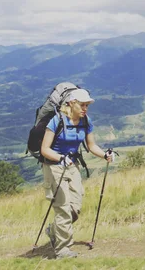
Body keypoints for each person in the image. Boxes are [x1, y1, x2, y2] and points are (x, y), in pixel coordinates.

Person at [40, 88, 115, 259]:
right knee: (63, 209)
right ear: (71, 103)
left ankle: (54, 231)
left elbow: (91, 145)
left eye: (87, 105)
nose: (85, 108)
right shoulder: (56, 121)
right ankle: (62, 250)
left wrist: (105, 155)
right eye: (82, 105)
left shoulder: (85, 121)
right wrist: (60, 158)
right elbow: (44, 149)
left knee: (76, 207)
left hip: (72, 165)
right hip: (53, 166)